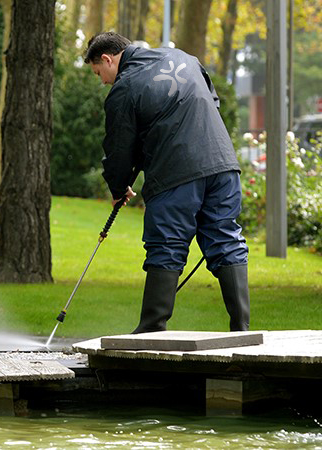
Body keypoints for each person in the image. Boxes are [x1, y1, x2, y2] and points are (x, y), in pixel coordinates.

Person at [84, 32, 250, 333]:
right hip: (223, 165)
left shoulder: (124, 88)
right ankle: (242, 328)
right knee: (226, 239)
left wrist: (118, 188)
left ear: (107, 59)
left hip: (176, 174)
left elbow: (119, 149)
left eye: (99, 73)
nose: (102, 81)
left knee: (166, 245)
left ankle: (150, 330)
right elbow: (212, 101)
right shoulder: (185, 58)